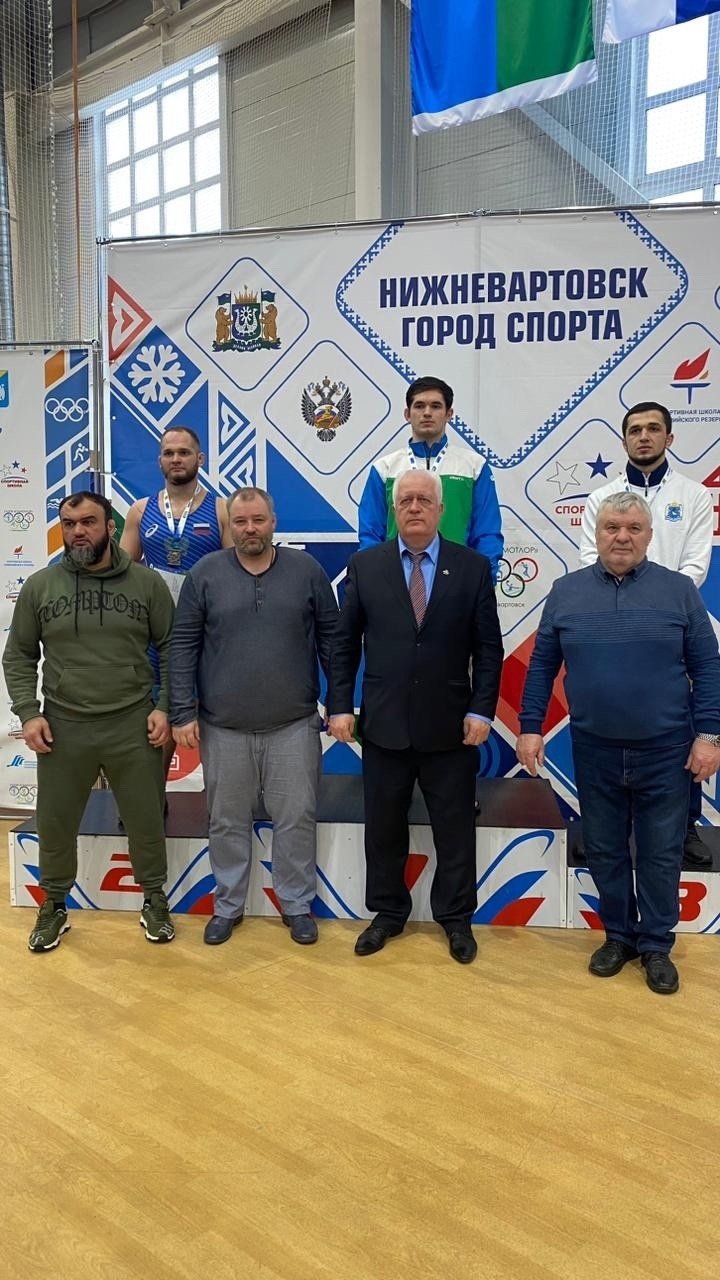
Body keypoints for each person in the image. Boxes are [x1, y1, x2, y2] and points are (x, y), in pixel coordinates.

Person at [517, 493, 720, 995]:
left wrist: (709, 736)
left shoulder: (679, 591)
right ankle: (619, 938)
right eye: (611, 527)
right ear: (597, 533)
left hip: (666, 751)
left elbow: (707, 667)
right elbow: (542, 665)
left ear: (649, 535)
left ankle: (656, 946)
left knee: (660, 852)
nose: (622, 537)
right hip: (594, 749)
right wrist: (530, 726)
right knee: (605, 850)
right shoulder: (565, 592)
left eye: (633, 528)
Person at [327, 469, 504, 964]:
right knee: (383, 827)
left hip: (452, 726)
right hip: (383, 724)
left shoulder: (472, 567)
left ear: (441, 510)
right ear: (394, 510)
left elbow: (489, 649)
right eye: (405, 500)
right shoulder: (366, 566)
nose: (414, 507)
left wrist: (481, 709)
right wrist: (339, 705)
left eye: (424, 499)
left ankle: (456, 918)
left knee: (454, 829)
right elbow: (344, 644)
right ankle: (387, 913)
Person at [3, 492, 176, 951]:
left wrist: (164, 705)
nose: (77, 531)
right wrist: (29, 713)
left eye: (88, 522)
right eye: (68, 523)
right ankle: (53, 905)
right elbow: (18, 655)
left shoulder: (146, 584)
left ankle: (154, 899)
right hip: (64, 726)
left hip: (132, 723)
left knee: (145, 820)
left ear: (110, 527)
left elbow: (173, 649)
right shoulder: (41, 586)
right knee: (55, 823)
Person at [169, 487, 338, 946]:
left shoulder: (307, 571)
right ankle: (227, 906)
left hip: (293, 725)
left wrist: (340, 702)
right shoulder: (204, 574)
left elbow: (332, 641)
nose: (249, 529)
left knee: (296, 818)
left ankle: (297, 905)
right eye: (241, 521)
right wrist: (182, 711)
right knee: (225, 821)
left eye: (258, 520)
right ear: (231, 525)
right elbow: (182, 647)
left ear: (273, 522)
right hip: (223, 726)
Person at [579, 401, 714, 868]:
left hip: (673, 625)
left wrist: (656, 603)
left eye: (653, 429)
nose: (644, 436)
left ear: (669, 438)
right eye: (635, 430)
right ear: (624, 440)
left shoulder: (694, 495)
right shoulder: (601, 497)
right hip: (610, 626)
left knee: (680, 726)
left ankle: (686, 826)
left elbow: (695, 564)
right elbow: (588, 559)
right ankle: (604, 827)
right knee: (605, 719)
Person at [120, 425, 233, 781]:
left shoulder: (222, 509)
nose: (176, 459)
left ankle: (226, 799)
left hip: (207, 632)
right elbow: (122, 571)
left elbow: (236, 575)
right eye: (169, 453)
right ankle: (152, 799)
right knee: (159, 718)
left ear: (200, 459)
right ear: (160, 461)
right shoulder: (140, 511)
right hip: (156, 635)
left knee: (218, 715)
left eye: (184, 452)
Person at [357, 376, 503, 580]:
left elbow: (487, 533)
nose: (427, 413)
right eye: (419, 406)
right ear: (407, 414)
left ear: (449, 414)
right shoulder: (385, 468)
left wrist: (483, 581)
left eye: (435, 406)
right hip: (395, 580)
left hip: (458, 580)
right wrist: (374, 579)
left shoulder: (474, 466)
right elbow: (370, 534)